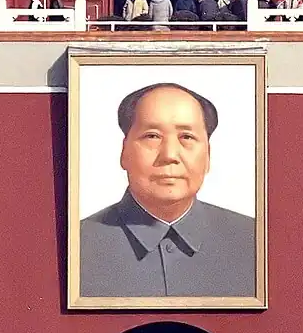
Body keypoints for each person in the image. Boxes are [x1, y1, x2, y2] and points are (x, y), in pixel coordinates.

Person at [80, 83, 255, 299]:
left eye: (186, 137)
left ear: (208, 155)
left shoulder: (256, 242)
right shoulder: (77, 245)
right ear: (124, 152)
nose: (169, 155)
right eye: (152, 136)